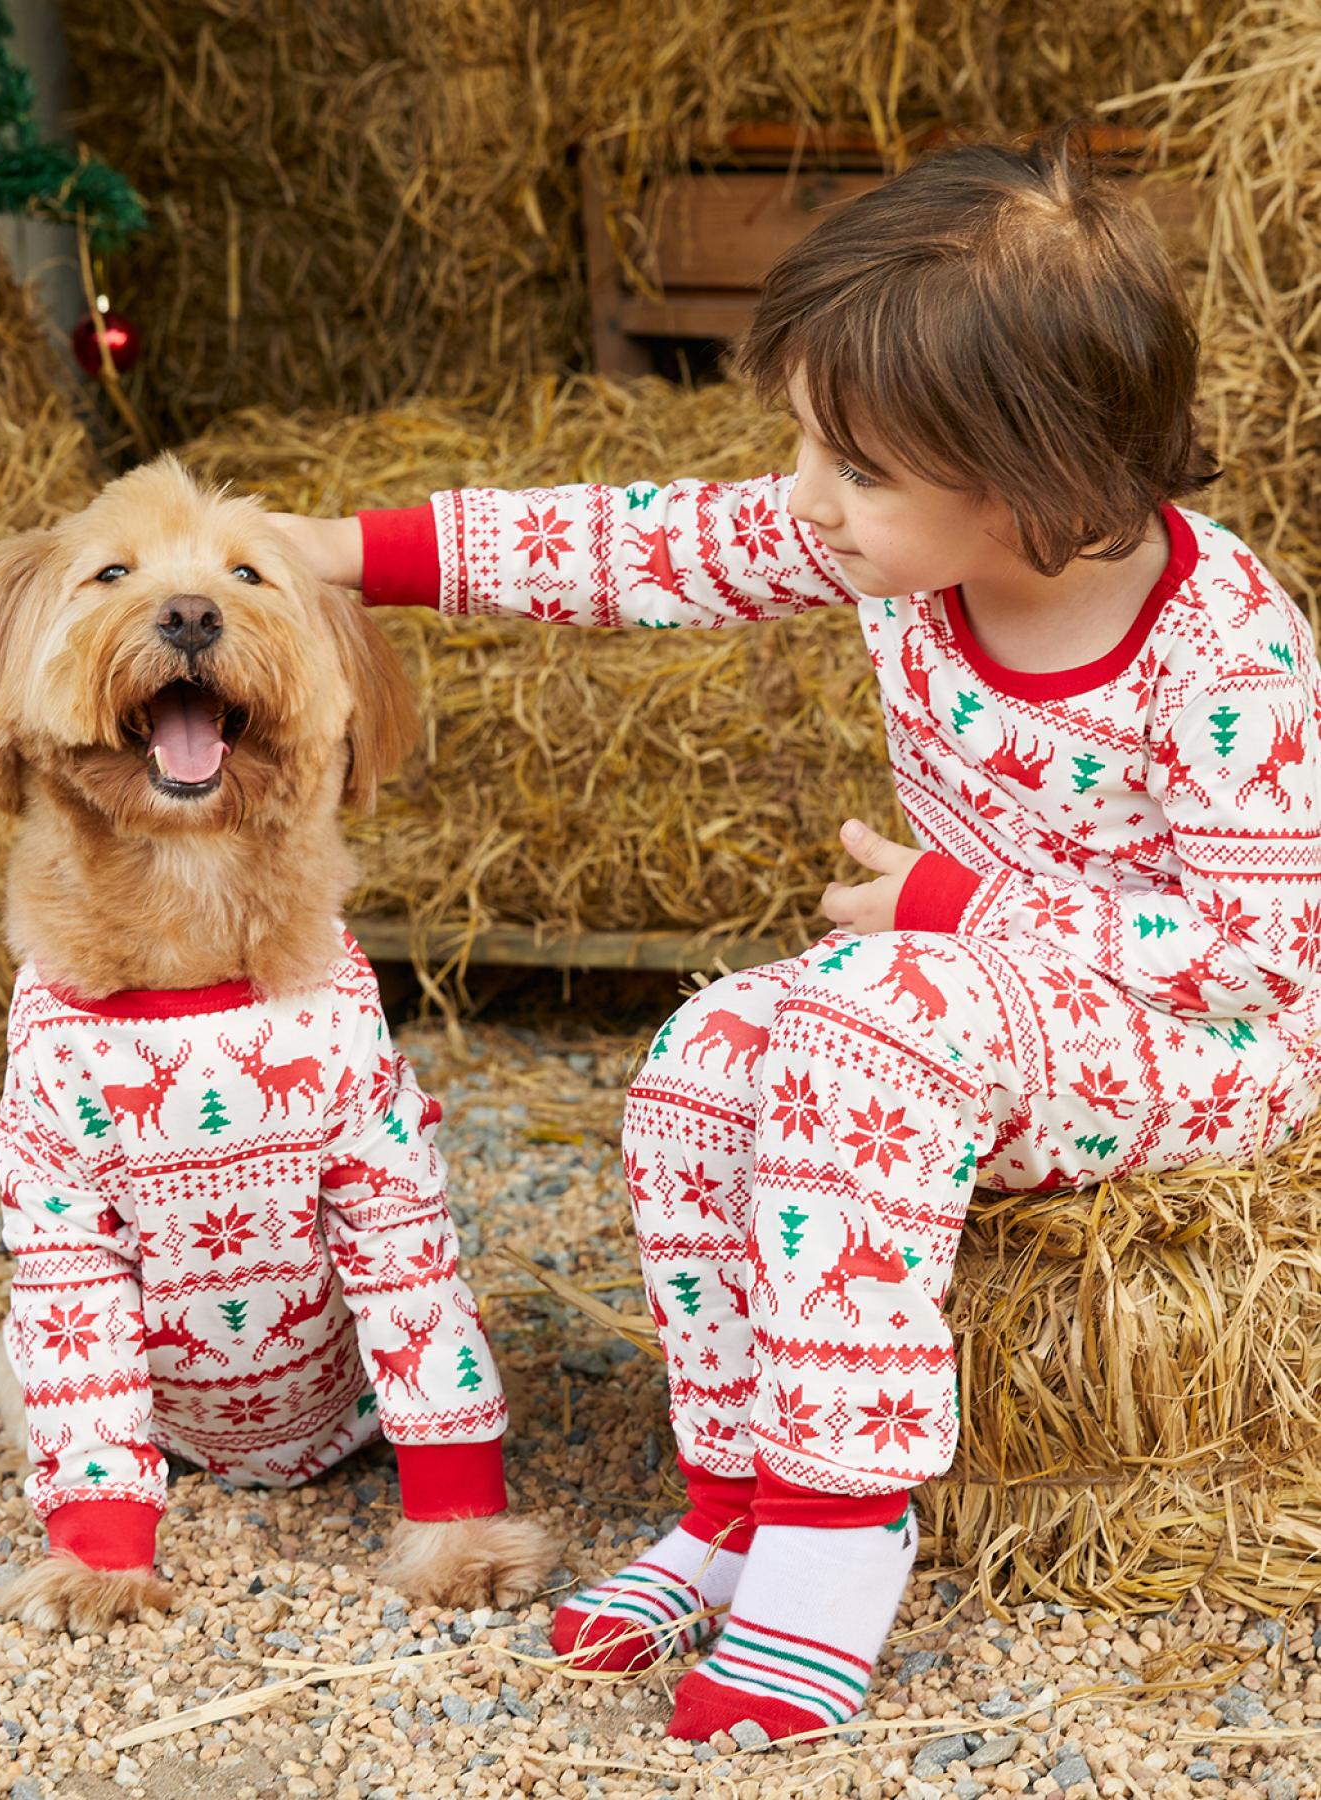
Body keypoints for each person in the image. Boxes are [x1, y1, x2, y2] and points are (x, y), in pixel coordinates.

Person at [270, 131, 1321, 1743]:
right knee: (701, 1058)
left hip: (1207, 1042)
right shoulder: (900, 542)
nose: (807, 500)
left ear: (1034, 479)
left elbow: (1264, 957)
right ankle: (738, 1495)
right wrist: (340, 553)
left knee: (857, 1025)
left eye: (858, 467)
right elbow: (633, 545)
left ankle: (838, 1544)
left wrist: (955, 907)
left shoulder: (1222, 644)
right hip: (961, 997)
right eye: (809, 448)